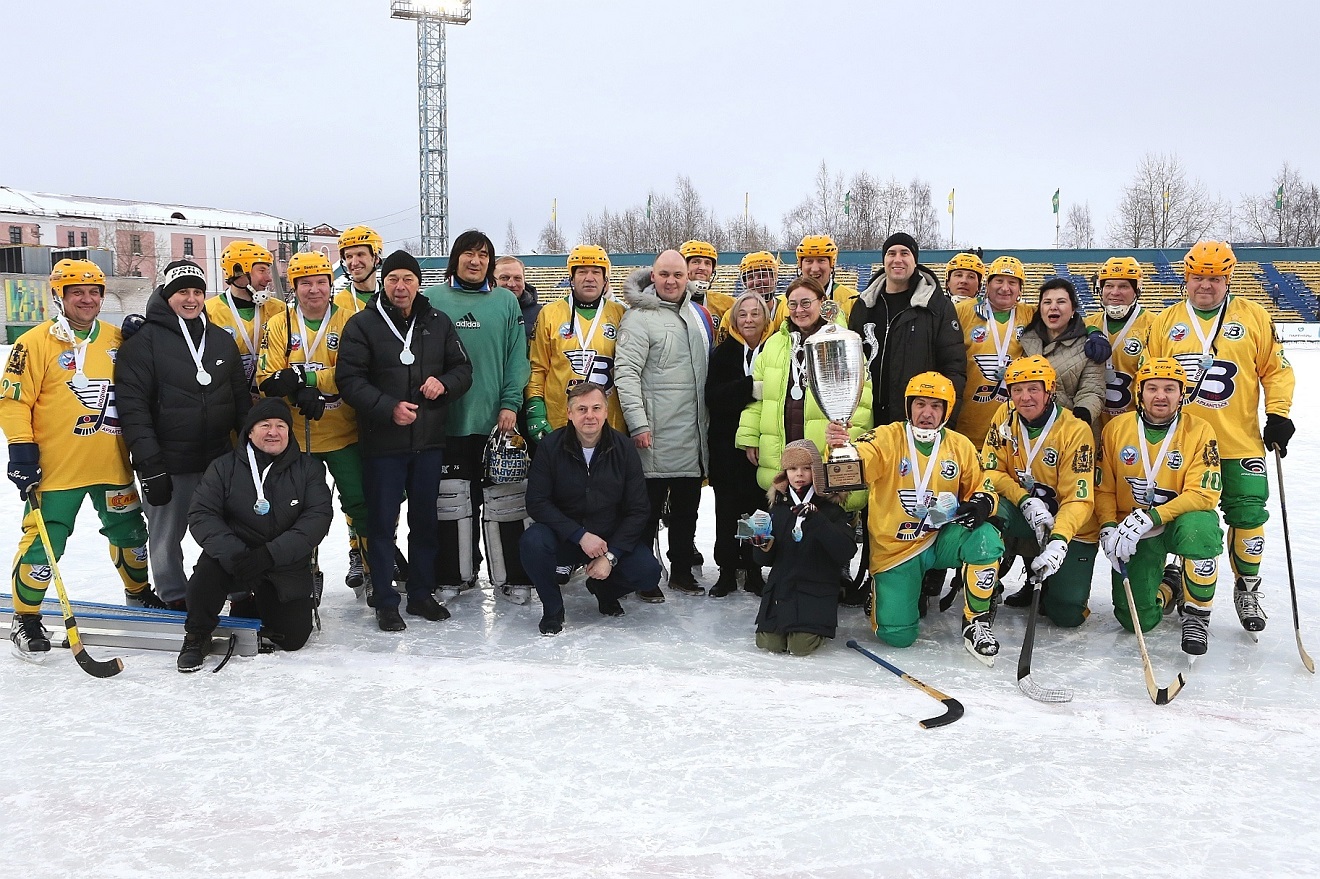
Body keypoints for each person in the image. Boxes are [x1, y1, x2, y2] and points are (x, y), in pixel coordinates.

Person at [1, 260, 161, 658]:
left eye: (94, 292)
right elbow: (13, 399)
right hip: (57, 469)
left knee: (131, 536)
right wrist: (21, 447)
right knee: (45, 545)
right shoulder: (34, 342)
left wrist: (144, 337)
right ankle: (27, 618)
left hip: (112, 463)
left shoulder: (115, 338)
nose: (87, 300)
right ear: (60, 296)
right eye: (77, 292)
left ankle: (138, 595)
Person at [1145, 241, 1295, 636]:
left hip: (1239, 441)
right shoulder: (1166, 322)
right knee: (1186, 518)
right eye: (1198, 277)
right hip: (1183, 445)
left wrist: (1278, 413)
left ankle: (1247, 588)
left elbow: (1276, 370)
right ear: (1186, 277)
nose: (1205, 285)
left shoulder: (1253, 317)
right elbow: (1149, 380)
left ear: (1228, 279)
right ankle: (1178, 578)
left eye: (1214, 278)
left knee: (1248, 517)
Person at [336, 249, 473, 631]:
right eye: (394, 279)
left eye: (408, 279)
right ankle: (384, 599)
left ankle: (420, 594)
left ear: (418, 283)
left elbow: (463, 369)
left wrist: (443, 383)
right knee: (382, 525)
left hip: (428, 442)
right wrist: (387, 407)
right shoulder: (362, 325)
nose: (401, 286)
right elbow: (350, 380)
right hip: (383, 446)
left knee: (425, 522)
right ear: (383, 282)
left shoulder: (438, 322)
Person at [827, 372, 1004, 664]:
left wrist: (983, 504)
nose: (927, 413)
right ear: (908, 406)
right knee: (896, 635)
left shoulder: (959, 445)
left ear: (947, 410)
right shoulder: (887, 436)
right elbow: (859, 459)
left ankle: (977, 622)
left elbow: (982, 485)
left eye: (935, 406)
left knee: (986, 538)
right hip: (896, 547)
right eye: (920, 404)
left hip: (940, 538)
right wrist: (840, 448)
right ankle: (881, 594)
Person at [117, 259, 251, 611]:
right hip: (168, 461)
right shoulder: (142, 342)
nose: (190, 299)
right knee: (165, 536)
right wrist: (149, 462)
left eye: (197, 292)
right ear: (166, 294)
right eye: (182, 292)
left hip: (218, 459)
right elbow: (134, 409)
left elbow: (239, 400)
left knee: (226, 529)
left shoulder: (221, 340)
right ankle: (173, 594)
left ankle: (233, 587)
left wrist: (253, 451)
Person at [176, 398, 332, 671]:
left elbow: (316, 521)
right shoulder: (223, 467)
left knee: (292, 638)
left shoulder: (310, 469)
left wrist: (271, 554)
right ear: (250, 431)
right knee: (205, 576)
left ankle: (257, 603)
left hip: (282, 561)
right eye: (265, 425)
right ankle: (197, 635)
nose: (273, 432)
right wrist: (237, 554)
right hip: (235, 557)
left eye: (281, 425)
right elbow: (202, 515)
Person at [425, 230, 532, 604]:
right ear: (455, 258)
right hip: (447, 423)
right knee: (452, 504)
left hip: (497, 424)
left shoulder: (505, 302)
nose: (476, 260)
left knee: (506, 503)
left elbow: (518, 360)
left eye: (483, 254)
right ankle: (454, 576)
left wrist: (509, 404)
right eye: (468, 253)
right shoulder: (433, 299)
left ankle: (512, 576)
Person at [257, 251, 371, 600]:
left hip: (344, 432)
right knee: (299, 510)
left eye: (321, 281)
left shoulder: (351, 319)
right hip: (298, 438)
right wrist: (291, 386)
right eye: (306, 283)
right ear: (294, 287)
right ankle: (307, 569)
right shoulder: (280, 324)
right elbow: (267, 376)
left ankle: (371, 567)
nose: (315, 290)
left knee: (360, 503)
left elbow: (355, 370)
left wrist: (306, 377)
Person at [1096, 359, 1223, 655]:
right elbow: (1104, 489)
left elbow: (1204, 494)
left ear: (1182, 394)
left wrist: (1153, 516)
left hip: (1178, 522)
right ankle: (1170, 587)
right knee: (1134, 620)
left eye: (1169, 388)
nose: (1161, 396)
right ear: (1140, 393)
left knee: (1201, 529)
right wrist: (1107, 526)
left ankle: (1197, 615)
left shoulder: (1200, 430)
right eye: (1152, 388)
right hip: (1135, 533)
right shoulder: (1116, 428)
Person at [521, 382, 661, 635]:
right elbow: (537, 502)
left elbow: (639, 509)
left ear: (607, 411)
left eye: (596, 408)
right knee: (532, 541)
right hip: (565, 536)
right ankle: (553, 608)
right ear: (569, 413)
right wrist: (579, 535)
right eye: (582, 409)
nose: (590, 415)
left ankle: (604, 589)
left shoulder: (624, 449)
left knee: (648, 572)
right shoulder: (550, 447)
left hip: (608, 538)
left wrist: (611, 555)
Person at [615, 250, 714, 600]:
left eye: (678, 274)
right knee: (646, 513)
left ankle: (682, 570)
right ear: (652, 277)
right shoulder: (638, 318)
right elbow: (626, 375)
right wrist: (638, 424)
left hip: (691, 432)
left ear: (687, 277)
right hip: (654, 434)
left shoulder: (697, 314)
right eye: (664, 274)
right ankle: (644, 576)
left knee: (688, 511)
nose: (671, 281)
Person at [982, 357, 1098, 625]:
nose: (1025, 398)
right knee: (985, 505)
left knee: (1066, 615)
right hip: (1026, 514)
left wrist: (1059, 539)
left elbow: (1078, 499)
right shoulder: (1004, 416)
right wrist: (1024, 500)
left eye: (1033, 389)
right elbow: (989, 471)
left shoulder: (1075, 430)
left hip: (1068, 525)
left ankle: (1054, 580)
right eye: (1017, 390)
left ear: (1050, 390)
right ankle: (986, 586)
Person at [735, 276, 872, 498]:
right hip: (783, 440)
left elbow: (861, 403)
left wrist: (848, 443)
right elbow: (758, 395)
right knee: (786, 520)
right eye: (793, 304)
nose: (799, 310)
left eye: (806, 303)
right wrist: (749, 435)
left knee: (825, 515)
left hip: (824, 442)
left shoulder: (844, 342)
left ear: (822, 302)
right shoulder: (774, 344)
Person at [847, 232, 966, 427]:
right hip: (866, 419)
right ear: (884, 260)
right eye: (891, 253)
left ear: (915, 260)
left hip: (915, 420)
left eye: (905, 253)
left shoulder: (937, 307)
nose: (897, 259)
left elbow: (954, 368)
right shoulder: (864, 305)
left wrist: (946, 419)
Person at [751, 440, 858, 656]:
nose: (798, 474)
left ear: (816, 471)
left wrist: (817, 519)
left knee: (801, 647)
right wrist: (762, 545)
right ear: (785, 472)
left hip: (815, 589)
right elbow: (764, 561)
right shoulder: (777, 510)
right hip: (782, 589)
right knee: (768, 643)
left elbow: (846, 551)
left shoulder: (831, 510)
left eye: (806, 468)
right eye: (792, 468)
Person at [705, 290, 772, 598]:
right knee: (728, 512)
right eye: (742, 314)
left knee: (757, 511)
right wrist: (749, 388)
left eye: (755, 313)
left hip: (764, 446)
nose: (748, 319)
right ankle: (728, 570)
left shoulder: (774, 352)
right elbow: (714, 398)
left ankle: (754, 567)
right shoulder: (723, 354)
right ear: (733, 320)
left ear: (765, 318)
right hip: (727, 448)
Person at [524, 245, 627, 442]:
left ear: (606, 279)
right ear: (571, 278)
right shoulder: (550, 313)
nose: (589, 277)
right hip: (561, 420)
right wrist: (535, 411)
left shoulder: (621, 314)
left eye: (596, 271)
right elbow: (537, 368)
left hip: (609, 423)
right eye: (582, 271)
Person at [952, 255, 1035, 446]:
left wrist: (1093, 331)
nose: (1005, 288)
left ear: (1020, 289)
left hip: (1013, 430)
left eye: (1012, 282)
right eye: (999, 280)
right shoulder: (963, 311)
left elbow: (1069, 318)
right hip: (967, 427)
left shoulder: (1030, 314)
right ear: (987, 285)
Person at [1018, 277, 1107, 440]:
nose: (1053, 307)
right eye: (1047, 302)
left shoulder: (1089, 345)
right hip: (1028, 432)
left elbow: (1092, 390)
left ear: (1073, 309)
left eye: (1061, 301)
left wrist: (1080, 418)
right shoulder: (1024, 341)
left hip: (1071, 432)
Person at [1084, 256, 1153, 430]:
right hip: (1095, 424)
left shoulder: (1154, 325)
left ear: (1137, 290)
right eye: (1109, 285)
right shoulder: (1087, 324)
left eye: (1123, 286)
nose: (1115, 292)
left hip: (1135, 425)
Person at [207, 241, 285, 393]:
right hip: (228, 400)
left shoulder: (278, 309)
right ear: (238, 270)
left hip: (268, 399)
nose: (268, 278)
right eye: (262, 270)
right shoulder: (209, 311)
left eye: (268, 271)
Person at [715, 251, 784, 344]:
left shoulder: (785, 309)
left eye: (762, 275)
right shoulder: (730, 316)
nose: (757, 282)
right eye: (750, 277)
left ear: (774, 278)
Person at [797, 234, 858, 320]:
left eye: (821, 260)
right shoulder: (785, 302)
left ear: (831, 265)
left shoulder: (852, 299)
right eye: (809, 261)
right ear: (800, 265)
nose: (815, 269)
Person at [334, 225, 385, 316]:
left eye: (360, 254)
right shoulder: (337, 304)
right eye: (349, 256)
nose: (354, 263)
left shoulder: (391, 298)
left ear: (376, 258)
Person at [680, 239, 733, 324]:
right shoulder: (669, 301)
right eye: (696, 262)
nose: (702, 267)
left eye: (707, 263)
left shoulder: (727, 304)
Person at [494, 256, 541, 342]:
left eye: (517, 278)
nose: (512, 284)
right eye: (504, 278)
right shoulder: (480, 311)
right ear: (492, 281)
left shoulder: (541, 315)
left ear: (524, 282)